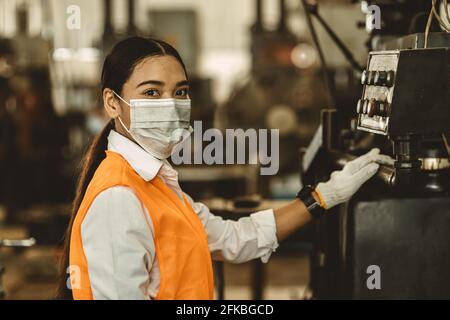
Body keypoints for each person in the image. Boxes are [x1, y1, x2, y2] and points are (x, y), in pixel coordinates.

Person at [58, 37, 392, 300]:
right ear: (112, 102)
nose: (170, 105)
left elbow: (234, 238)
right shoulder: (119, 198)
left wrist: (325, 195)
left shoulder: (154, 183)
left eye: (180, 92)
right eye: (152, 92)